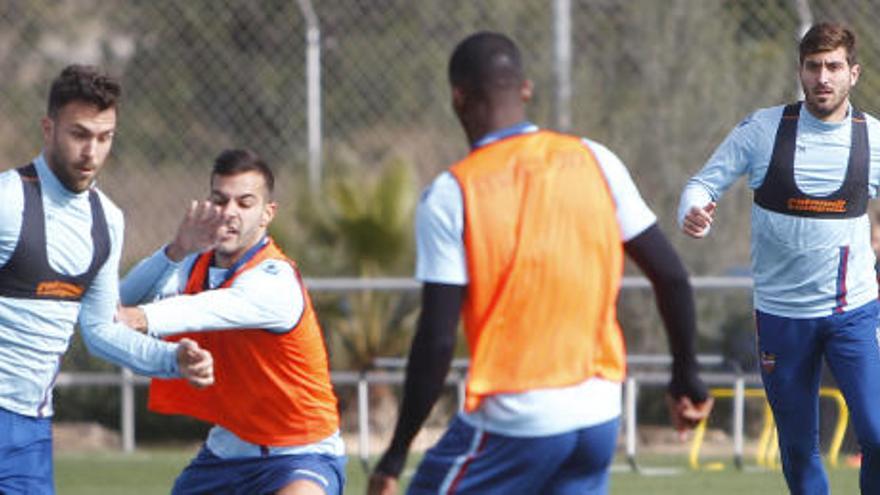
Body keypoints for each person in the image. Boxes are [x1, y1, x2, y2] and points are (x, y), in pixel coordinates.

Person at [368, 31, 714, 495]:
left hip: (516, 416)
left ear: (458, 97)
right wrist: (685, 375)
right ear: (525, 89)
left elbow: (435, 341)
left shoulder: (454, 193)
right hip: (597, 413)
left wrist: (393, 456)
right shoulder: (595, 159)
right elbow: (671, 275)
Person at [679, 22, 880, 494]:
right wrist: (693, 211)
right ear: (800, 72)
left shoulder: (872, 138)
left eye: (834, 67)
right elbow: (702, 184)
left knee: (876, 433)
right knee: (796, 447)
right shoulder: (763, 130)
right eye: (814, 67)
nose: (823, 78)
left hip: (852, 311)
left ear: (854, 72)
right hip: (782, 316)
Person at [0, 65, 214, 494]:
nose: (91, 152)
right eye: (79, 134)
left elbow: (100, 330)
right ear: (48, 128)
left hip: (29, 431)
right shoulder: (7, 201)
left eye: (104, 138)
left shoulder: (107, 220)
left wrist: (172, 359)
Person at [116, 149, 346, 495]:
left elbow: (207, 308)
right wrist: (176, 248)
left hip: (300, 451)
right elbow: (123, 298)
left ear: (268, 213)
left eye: (245, 203)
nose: (229, 213)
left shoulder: (275, 278)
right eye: (220, 200)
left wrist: (140, 318)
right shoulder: (193, 262)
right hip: (227, 451)